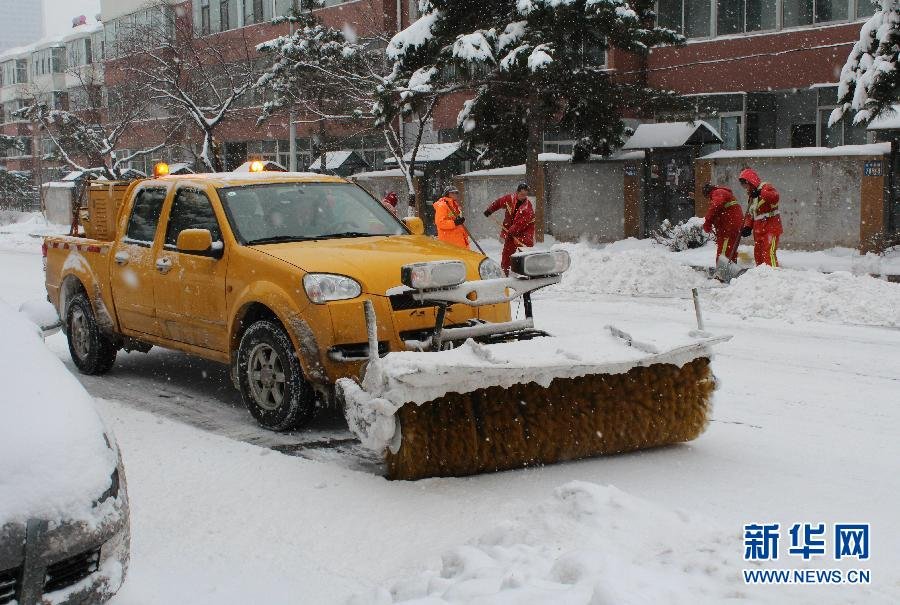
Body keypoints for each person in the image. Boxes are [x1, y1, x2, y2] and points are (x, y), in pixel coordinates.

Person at [484, 182, 535, 275]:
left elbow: (521, 223)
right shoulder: (509, 199)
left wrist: (512, 231)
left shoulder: (528, 207)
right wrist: (490, 210)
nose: (523, 197)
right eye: (521, 194)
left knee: (525, 252)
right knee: (507, 252)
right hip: (511, 229)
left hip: (525, 231)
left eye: (525, 195)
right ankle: (504, 272)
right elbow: (498, 202)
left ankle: (529, 271)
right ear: (517, 192)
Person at [738, 168, 782, 267]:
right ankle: (760, 276)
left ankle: (773, 276)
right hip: (758, 229)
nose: (745, 188)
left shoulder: (766, 187)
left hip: (770, 226)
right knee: (758, 254)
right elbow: (751, 213)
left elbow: (774, 197)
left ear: (750, 182)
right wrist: (748, 226)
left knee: (769, 253)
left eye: (745, 185)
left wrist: (760, 192)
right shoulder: (751, 196)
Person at [701, 182, 744, 280]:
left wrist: (708, 221)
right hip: (730, 227)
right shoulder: (722, 193)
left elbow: (716, 206)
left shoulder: (717, 192)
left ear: (708, 193)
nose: (709, 199)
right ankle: (730, 275)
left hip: (729, 227)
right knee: (730, 251)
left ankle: (721, 276)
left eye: (708, 197)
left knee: (724, 252)